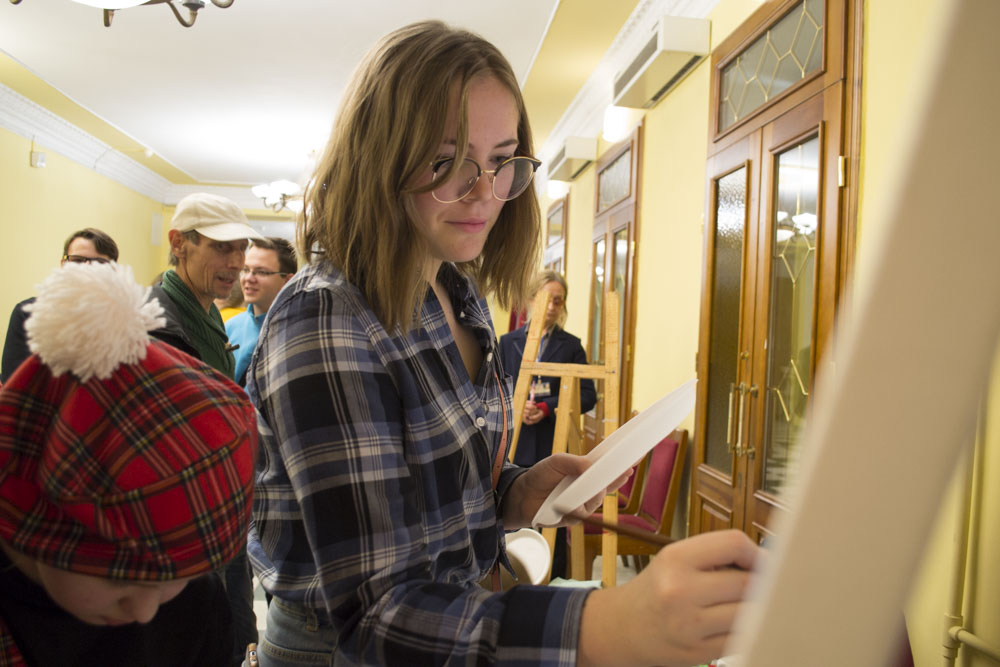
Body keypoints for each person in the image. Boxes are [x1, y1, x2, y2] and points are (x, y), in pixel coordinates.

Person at [247, 20, 759, 667]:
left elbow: (433, 488)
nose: (485, 193)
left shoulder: (456, 292)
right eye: (446, 163)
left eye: (501, 162)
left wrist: (514, 491)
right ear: (379, 159)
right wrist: (610, 624)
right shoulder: (327, 315)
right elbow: (378, 613)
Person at [0, 261, 258, 666]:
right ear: (37, 515)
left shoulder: (196, 606)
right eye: (119, 578)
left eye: (179, 576)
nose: (145, 611)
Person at [148, 191, 264, 667]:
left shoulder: (209, 310)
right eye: (220, 247)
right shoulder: (155, 323)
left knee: (232, 632)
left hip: (220, 510)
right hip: (180, 525)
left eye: (240, 248)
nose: (236, 262)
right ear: (179, 243)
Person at [499, 270, 597, 580]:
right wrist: (517, 407)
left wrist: (546, 407)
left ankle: (553, 580)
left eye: (559, 301)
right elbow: (492, 388)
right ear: (530, 299)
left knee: (554, 516)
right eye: (546, 299)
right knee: (516, 516)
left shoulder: (571, 346)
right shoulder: (507, 343)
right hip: (515, 444)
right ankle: (515, 580)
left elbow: (588, 395)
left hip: (553, 442)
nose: (552, 307)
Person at [1, 227, 119, 384]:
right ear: (64, 264)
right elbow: (13, 382)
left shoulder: (123, 322)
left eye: (99, 263)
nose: (86, 268)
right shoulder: (28, 315)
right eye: (77, 260)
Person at [225, 237, 296, 386]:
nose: (249, 278)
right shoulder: (229, 328)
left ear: (288, 281)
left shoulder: (297, 332)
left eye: (262, 272)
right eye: (245, 270)